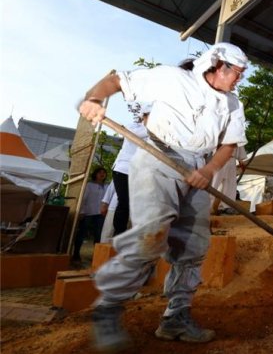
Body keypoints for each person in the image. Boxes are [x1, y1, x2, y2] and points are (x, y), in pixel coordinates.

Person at [77, 42, 248, 352]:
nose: (239, 79)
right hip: (159, 158)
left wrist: (209, 170)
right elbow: (116, 81)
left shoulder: (233, 104)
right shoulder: (173, 79)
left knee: (194, 246)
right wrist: (94, 98)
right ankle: (108, 308)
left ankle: (176, 318)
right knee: (151, 237)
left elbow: (229, 145)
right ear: (219, 66)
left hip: (197, 168)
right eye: (237, 73)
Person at [111, 103, 151, 235]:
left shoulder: (157, 132)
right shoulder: (133, 127)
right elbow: (138, 134)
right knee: (124, 202)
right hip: (123, 169)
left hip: (140, 172)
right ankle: (118, 233)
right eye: (150, 116)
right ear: (143, 116)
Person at [72, 167, 108, 264]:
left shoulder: (106, 186)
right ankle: (76, 254)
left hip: (100, 214)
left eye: (104, 173)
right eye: (100, 172)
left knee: (98, 235)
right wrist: (82, 211)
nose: (102, 174)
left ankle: (96, 256)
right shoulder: (89, 185)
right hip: (88, 213)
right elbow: (83, 199)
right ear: (95, 174)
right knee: (82, 234)